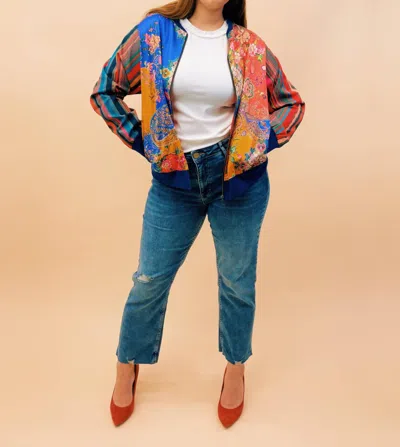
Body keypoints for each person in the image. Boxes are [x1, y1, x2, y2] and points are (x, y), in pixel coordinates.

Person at [89, 0, 305, 428]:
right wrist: (146, 141)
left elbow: (290, 104)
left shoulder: (248, 45)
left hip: (237, 181)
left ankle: (236, 368)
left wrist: (255, 143)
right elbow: (105, 91)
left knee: (237, 282)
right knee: (149, 279)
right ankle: (127, 363)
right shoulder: (154, 33)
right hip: (175, 181)